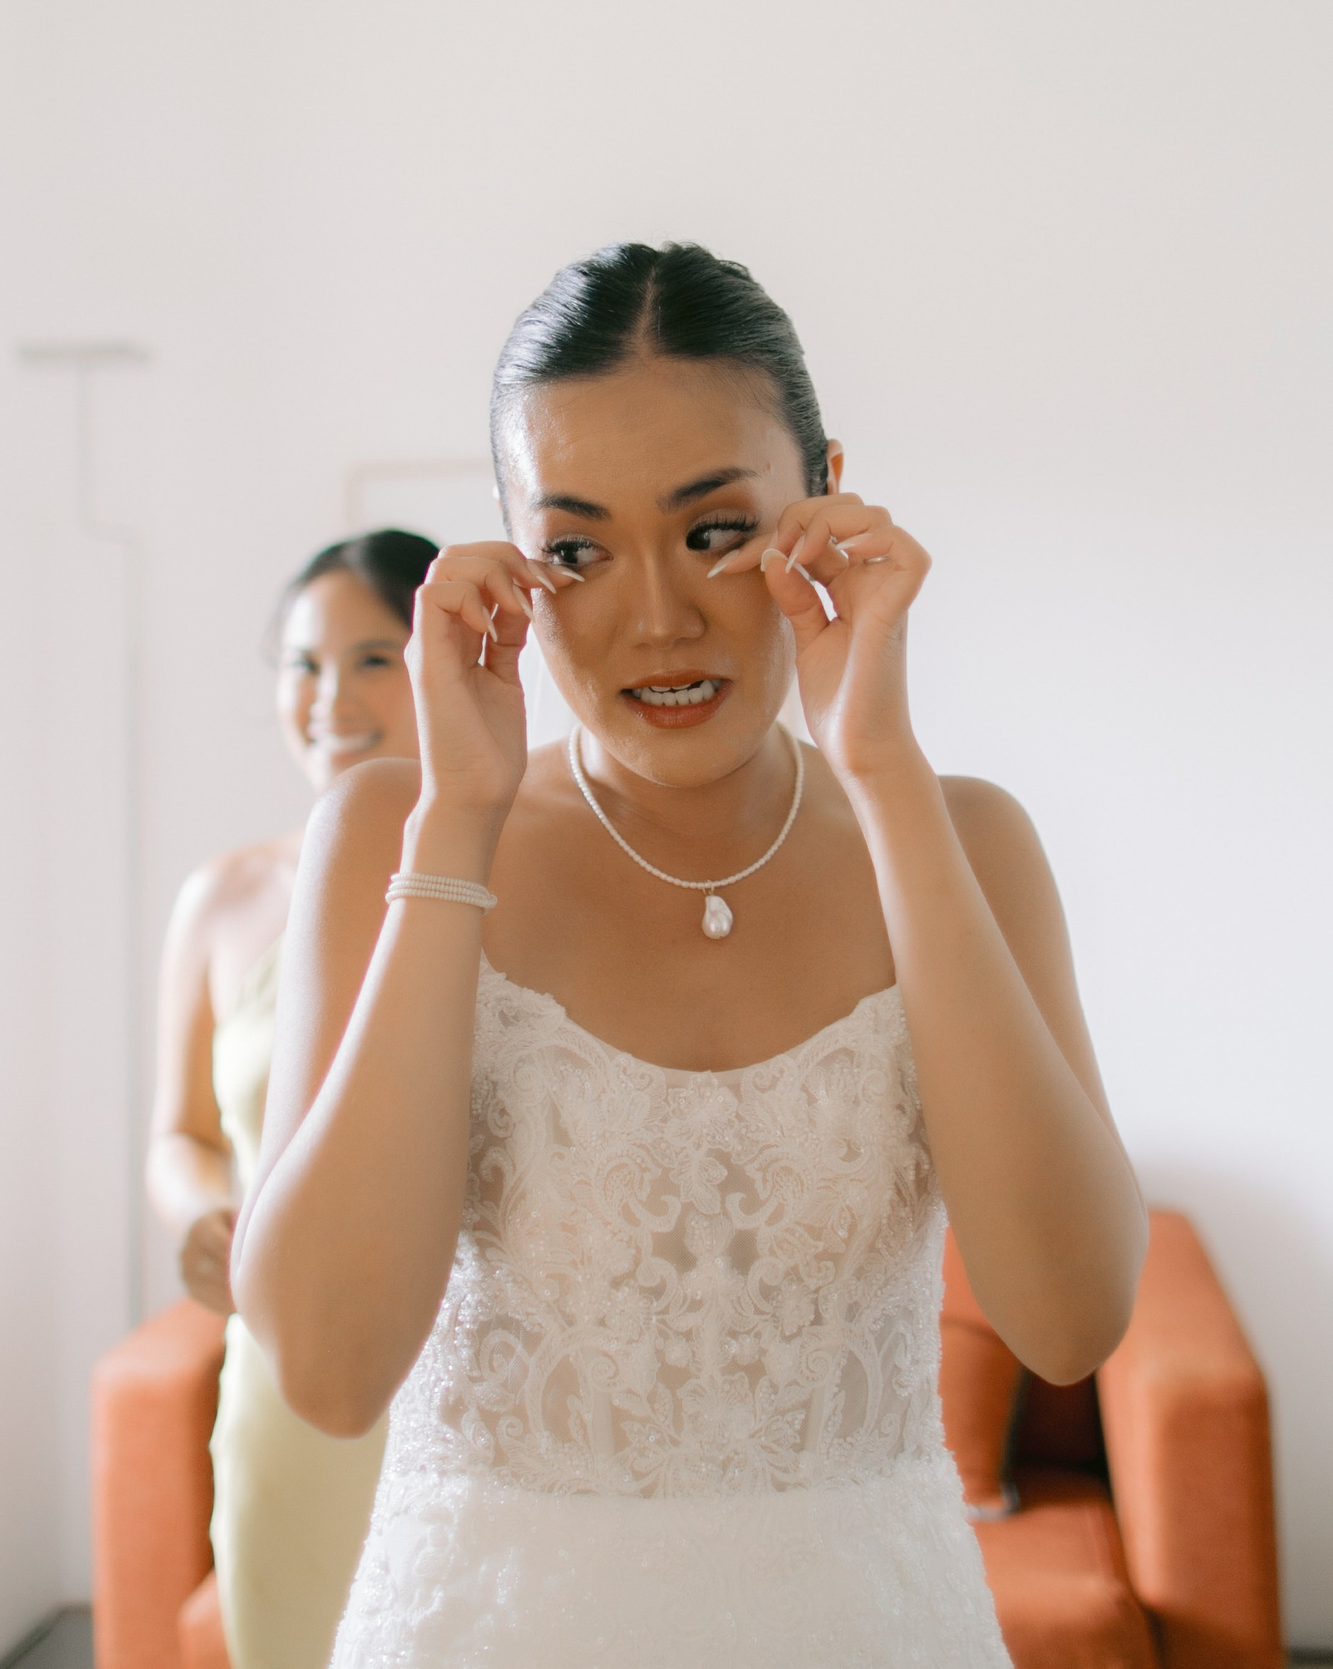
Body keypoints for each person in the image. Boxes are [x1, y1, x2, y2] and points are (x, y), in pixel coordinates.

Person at [234, 244, 1149, 1667]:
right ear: (512, 555)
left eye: (715, 530)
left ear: (822, 497)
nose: (656, 617)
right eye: (578, 550)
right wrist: (459, 820)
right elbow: (330, 1367)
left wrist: (885, 772)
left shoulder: (967, 839)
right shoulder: (392, 833)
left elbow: (1069, 1319)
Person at [149, 529, 438, 1669]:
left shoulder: (529, 870)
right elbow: (179, 1132)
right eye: (303, 665)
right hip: (284, 1381)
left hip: (471, 1368)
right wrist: (198, 1214)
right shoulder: (221, 899)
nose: (330, 699)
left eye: (373, 659)